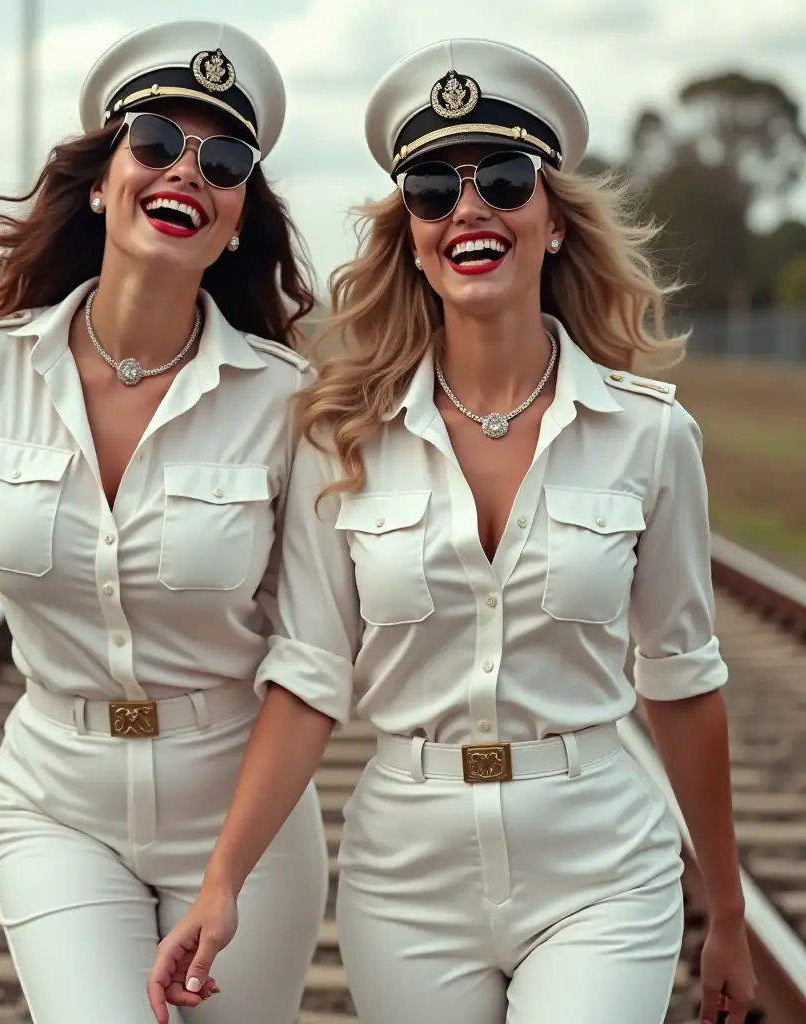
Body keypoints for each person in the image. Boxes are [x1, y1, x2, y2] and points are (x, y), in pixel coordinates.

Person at [148, 37, 756, 1024]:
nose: (467, 208)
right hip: (407, 877)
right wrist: (223, 879)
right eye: (432, 190)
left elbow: (682, 678)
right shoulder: (341, 439)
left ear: (552, 220)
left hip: (598, 862)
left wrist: (724, 905)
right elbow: (307, 677)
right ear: (414, 237)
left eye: (504, 181)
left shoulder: (650, 434)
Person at [0, 18, 330, 1023]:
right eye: (156, 141)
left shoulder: (293, 403)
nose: (187, 172)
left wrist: (227, 876)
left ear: (241, 217)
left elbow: (309, 665)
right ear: (104, 178)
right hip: (55, 804)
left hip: (240, 818)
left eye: (225, 160)